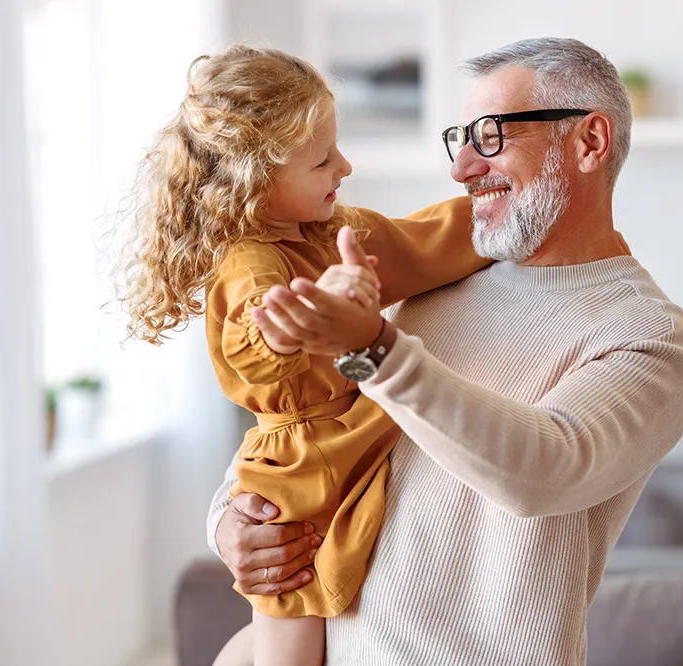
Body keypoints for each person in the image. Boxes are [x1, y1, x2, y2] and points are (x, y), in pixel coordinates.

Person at [207, 37, 683, 665]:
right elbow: (300, 428)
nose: (463, 167)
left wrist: (373, 346)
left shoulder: (648, 337)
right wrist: (232, 523)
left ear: (589, 142)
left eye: (492, 136)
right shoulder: (429, 284)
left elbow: (541, 470)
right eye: (461, 138)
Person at [115, 45, 487, 666]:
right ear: (254, 177)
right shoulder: (250, 263)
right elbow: (260, 345)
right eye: (321, 160)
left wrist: (501, 214)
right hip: (297, 476)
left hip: (351, 435)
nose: (344, 165)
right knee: (291, 643)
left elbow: (423, 242)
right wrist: (309, 317)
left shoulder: (331, 230)